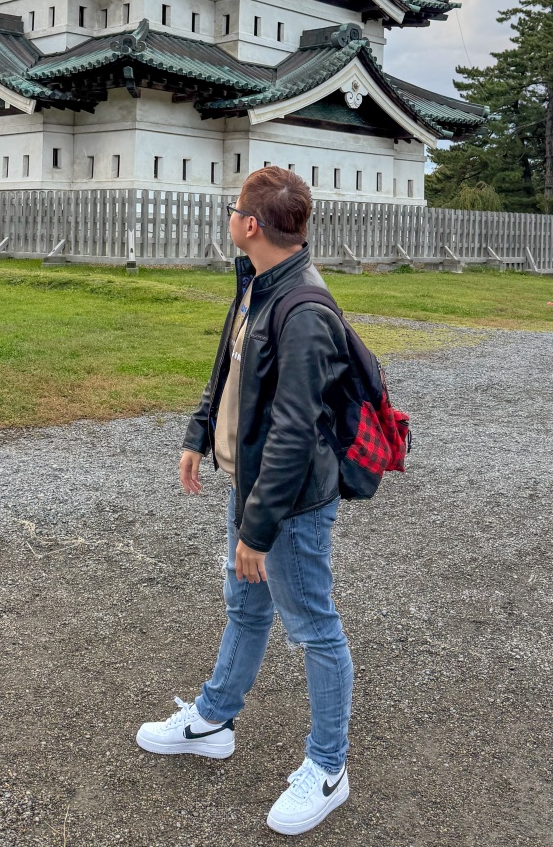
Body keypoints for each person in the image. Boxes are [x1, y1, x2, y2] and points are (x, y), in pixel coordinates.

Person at [136, 166, 354, 836]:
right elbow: (227, 369)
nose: (230, 218)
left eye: (235, 210)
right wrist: (198, 433)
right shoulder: (257, 284)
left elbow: (293, 433)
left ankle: (328, 767)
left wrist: (256, 532)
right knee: (246, 605)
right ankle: (213, 718)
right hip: (250, 484)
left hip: (287, 503)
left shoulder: (305, 309)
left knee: (313, 625)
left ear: (251, 223)